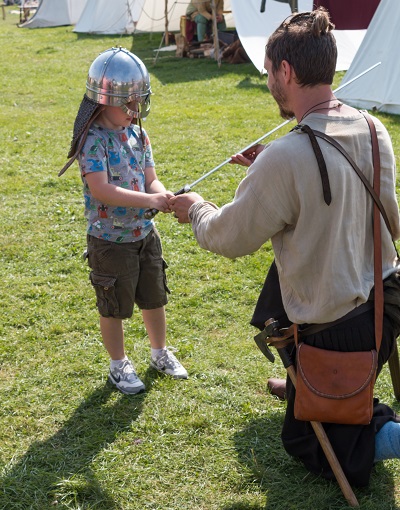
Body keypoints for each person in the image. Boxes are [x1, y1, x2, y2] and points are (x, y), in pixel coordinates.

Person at [170, 8, 400, 486]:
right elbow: (390, 225)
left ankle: (356, 410)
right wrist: (272, 176)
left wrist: (193, 207)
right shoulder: (373, 129)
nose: (269, 80)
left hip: (345, 331)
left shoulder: (285, 157)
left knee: (302, 441)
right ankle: (302, 380)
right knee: (280, 280)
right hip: (391, 301)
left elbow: (226, 237)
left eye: (270, 71)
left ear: (287, 71)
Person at [60, 47, 188, 395]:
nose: (135, 111)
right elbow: (102, 190)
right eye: (128, 104)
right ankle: (119, 365)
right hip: (110, 241)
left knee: (154, 296)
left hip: (145, 233)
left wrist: (163, 196)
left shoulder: (139, 135)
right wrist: (150, 199)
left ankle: (160, 353)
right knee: (113, 306)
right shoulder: (93, 141)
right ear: (104, 100)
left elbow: (151, 179)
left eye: (138, 103)